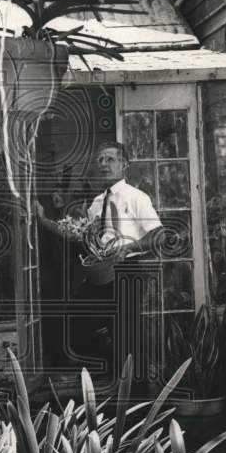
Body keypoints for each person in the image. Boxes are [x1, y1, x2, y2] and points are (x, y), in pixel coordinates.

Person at [38, 141, 164, 392]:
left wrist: (129, 247)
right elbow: (76, 235)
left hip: (127, 272)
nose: (104, 164)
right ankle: (110, 373)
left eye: (110, 159)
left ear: (124, 164)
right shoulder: (97, 202)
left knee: (128, 336)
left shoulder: (135, 197)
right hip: (100, 273)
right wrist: (42, 219)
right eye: (100, 160)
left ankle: (137, 402)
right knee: (73, 322)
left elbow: (158, 235)